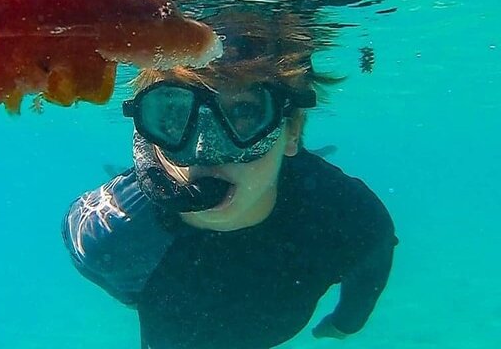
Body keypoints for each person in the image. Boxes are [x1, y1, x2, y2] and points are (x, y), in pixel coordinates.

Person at [61, 41, 398, 348]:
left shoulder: (348, 217)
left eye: (245, 112)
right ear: (147, 132)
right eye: (175, 115)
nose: (204, 150)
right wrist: (139, 289)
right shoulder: (113, 233)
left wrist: (346, 323)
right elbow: (90, 258)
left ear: (292, 128)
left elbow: (372, 260)